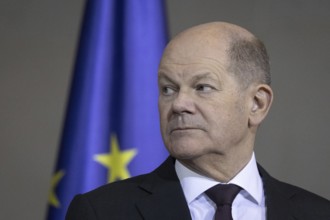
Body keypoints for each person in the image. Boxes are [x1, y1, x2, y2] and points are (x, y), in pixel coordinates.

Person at [66, 22, 330, 220]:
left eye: (202, 87)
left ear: (257, 104)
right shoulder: (101, 212)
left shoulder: (318, 214)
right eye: (168, 89)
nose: (179, 104)